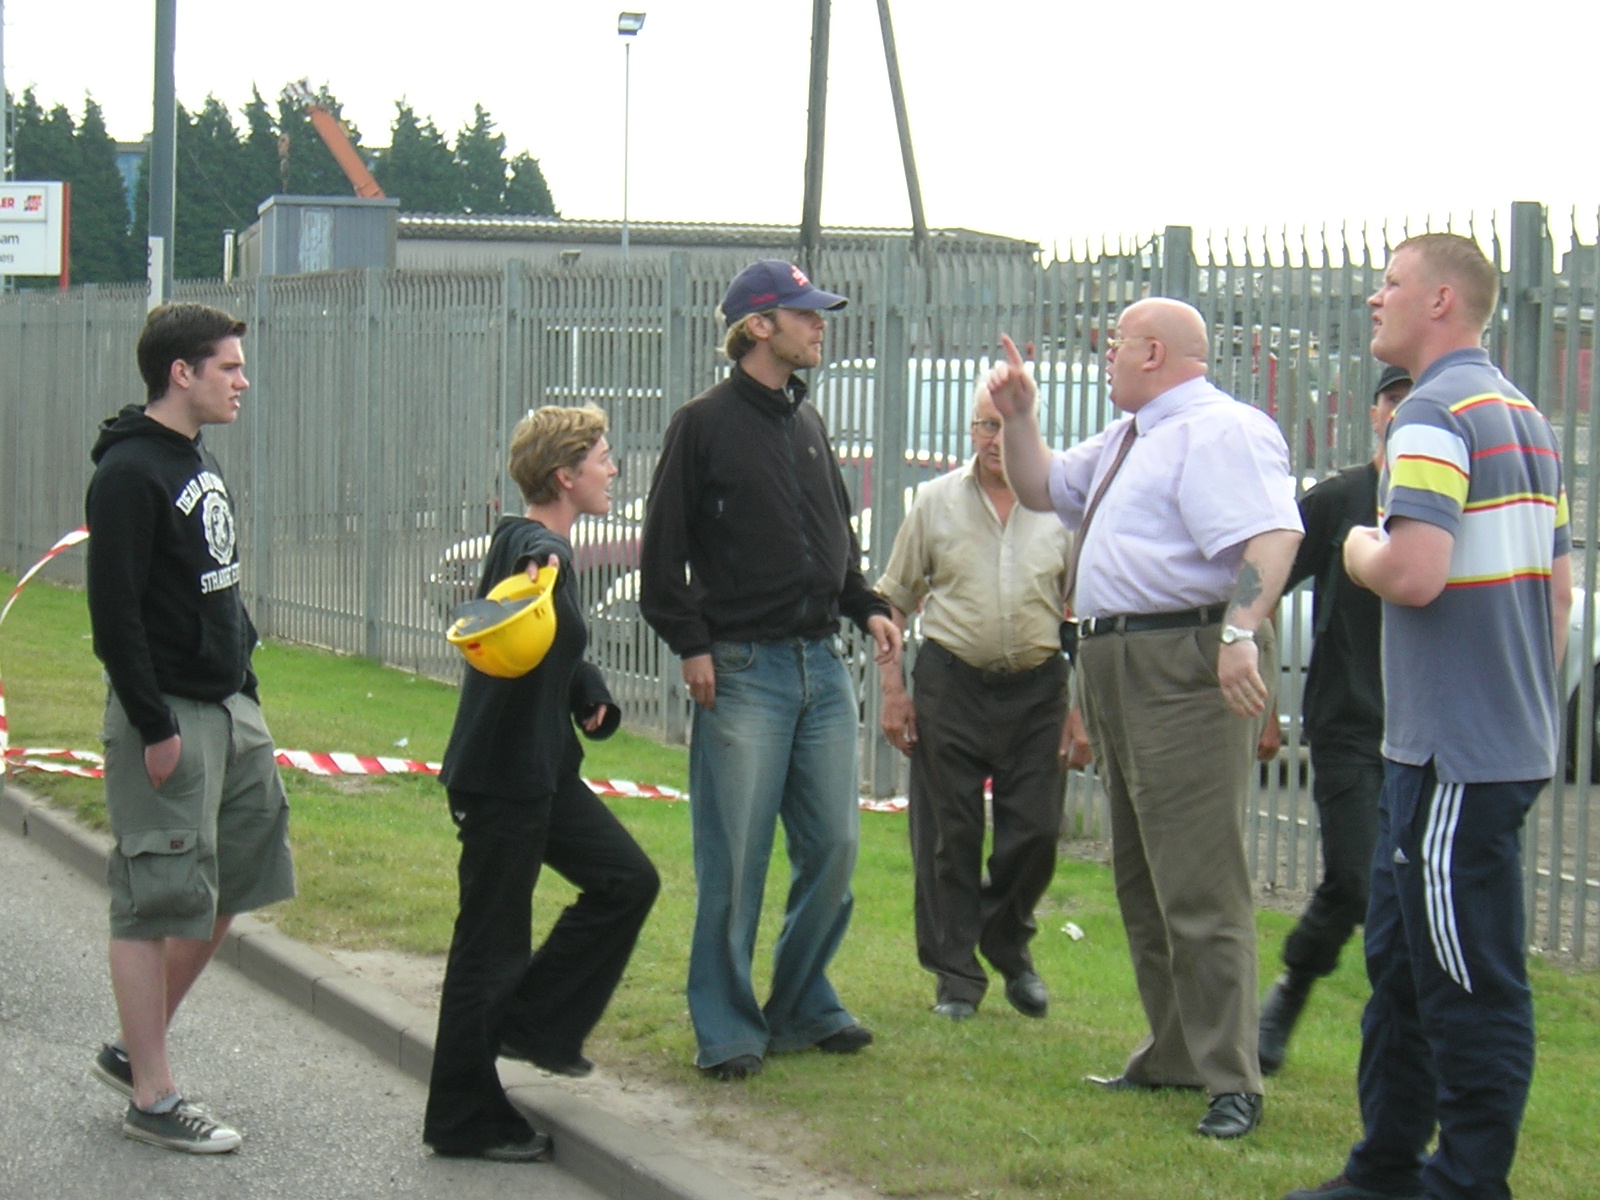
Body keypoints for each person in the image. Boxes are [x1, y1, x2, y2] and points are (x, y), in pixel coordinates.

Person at [1285, 235, 1570, 1200]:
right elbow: (1557, 593)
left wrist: (1356, 548)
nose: (1375, 299)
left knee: (1465, 977)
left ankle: (1468, 1181)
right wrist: (1517, 700)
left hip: (1453, 755)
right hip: (1476, 745)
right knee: (1403, 967)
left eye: (1392, 283)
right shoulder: (1523, 416)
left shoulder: (1433, 414)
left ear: (1442, 300)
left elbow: (1412, 573)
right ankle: (1384, 1168)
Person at [987, 297, 1303, 1140]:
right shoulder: (1133, 436)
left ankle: (1232, 1079)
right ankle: (1174, 1053)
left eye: (1117, 344)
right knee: (1143, 878)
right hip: (1118, 659)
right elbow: (1041, 488)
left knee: (1198, 879)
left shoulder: (1219, 430)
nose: (1107, 356)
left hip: (1180, 659)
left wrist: (1239, 631)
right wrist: (1019, 418)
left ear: (1155, 352)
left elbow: (1273, 537)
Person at [640, 259, 901, 1081]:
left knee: (836, 849)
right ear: (759, 325)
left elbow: (837, 545)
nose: (820, 324)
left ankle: (802, 1005)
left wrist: (868, 605)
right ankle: (726, 1028)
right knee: (735, 860)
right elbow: (661, 559)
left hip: (822, 666)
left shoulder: (806, 421)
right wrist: (693, 645)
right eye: (804, 313)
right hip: (743, 669)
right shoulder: (701, 425)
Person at [84, 303, 297, 1154]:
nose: (243, 381)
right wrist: (153, 724)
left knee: (234, 880)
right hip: (167, 715)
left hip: (229, 706)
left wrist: (243, 682)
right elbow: (115, 614)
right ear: (182, 373)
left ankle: (134, 1047)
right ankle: (153, 1095)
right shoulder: (129, 472)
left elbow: (214, 580)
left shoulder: (194, 457)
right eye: (228, 367)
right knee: (154, 900)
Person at [423, 405, 660, 1162]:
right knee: (489, 949)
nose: (613, 469)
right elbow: (529, 573)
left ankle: (536, 1027)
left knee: (627, 881)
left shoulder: (536, 549)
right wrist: (542, 560)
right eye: (602, 457)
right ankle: (463, 1118)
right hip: (503, 781)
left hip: (543, 772)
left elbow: (547, 639)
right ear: (564, 475)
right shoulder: (532, 546)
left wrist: (587, 688)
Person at [874, 381, 1073, 1021]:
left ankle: (1005, 938)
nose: (995, 439)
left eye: (1006, 425)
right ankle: (956, 977)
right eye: (984, 425)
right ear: (970, 431)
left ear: (1029, 427)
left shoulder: (1062, 506)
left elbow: (1081, 610)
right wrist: (893, 691)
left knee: (1037, 832)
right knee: (947, 836)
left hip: (1038, 689)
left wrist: (1080, 708)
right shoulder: (935, 502)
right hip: (951, 683)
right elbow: (893, 600)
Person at [1255, 363, 1411, 1075]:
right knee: (1355, 878)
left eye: (1417, 398)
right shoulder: (1342, 498)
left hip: (1429, 730)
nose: (1404, 411)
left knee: (1415, 893)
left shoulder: (1451, 503)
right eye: (1393, 398)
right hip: (1349, 723)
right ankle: (1291, 988)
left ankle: (1406, 1040)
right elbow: (1262, 579)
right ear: (1374, 414)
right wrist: (1251, 673)